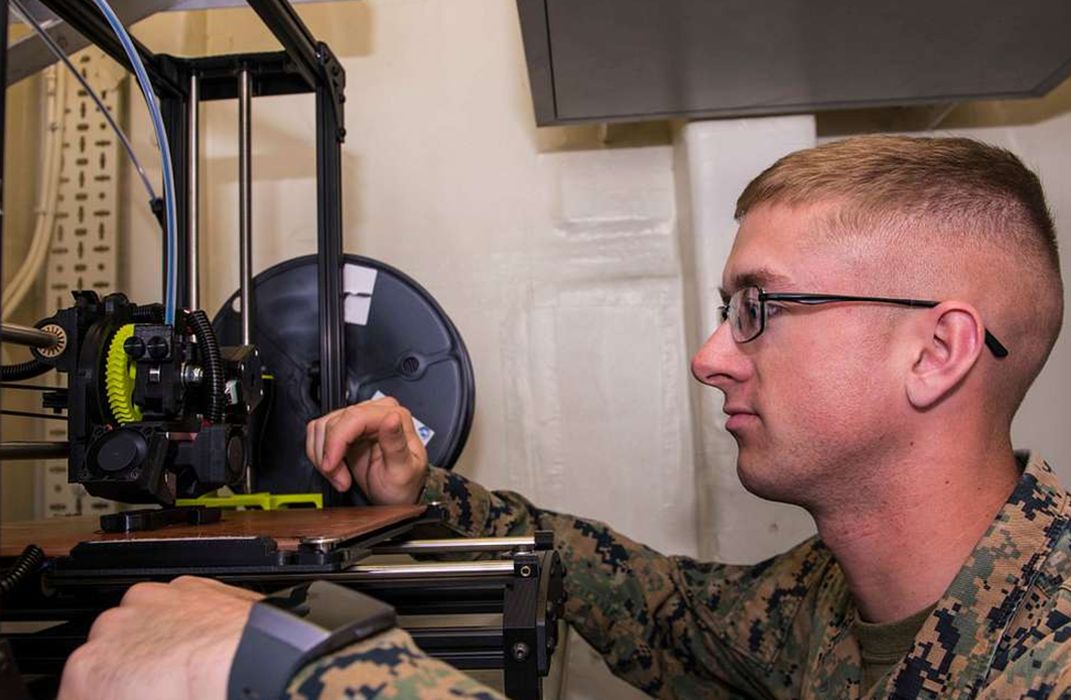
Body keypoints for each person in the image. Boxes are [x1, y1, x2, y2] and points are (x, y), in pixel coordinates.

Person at [59, 135, 1070, 699]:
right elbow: (656, 607)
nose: (710, 357)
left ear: (935, 352)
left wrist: (300, 675)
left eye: (757, 308)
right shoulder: (828, 600)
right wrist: (429, 492)